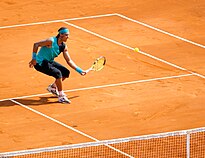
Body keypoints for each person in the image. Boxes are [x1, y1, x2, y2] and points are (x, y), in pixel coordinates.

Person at [29, 27, 86, 103]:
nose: (68, 37)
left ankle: (53, 87)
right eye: (66, 35)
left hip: (49, 61)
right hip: (40, 63)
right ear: (61, 35)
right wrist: (34, 59)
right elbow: (36, 44)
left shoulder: (63, 46)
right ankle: (61, 96)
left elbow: (68, 60)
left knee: (66, 72)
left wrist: (79, 70)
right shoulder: (51, 41)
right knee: (58, 73)